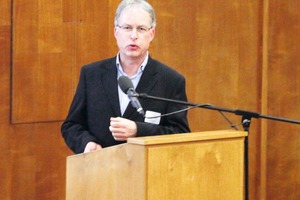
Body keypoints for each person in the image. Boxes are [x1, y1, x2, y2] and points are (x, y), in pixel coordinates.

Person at [61, 0, 190, 154]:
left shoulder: (171, 80)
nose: (133, 36)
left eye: (141, 29)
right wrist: (86, 143)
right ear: (116, 32)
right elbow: (71, 125)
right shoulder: (92, 74)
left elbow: (180, 134)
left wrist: (138, 130)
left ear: (151, 34)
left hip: (148, 171)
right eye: (127, 28)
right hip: (99, 170)